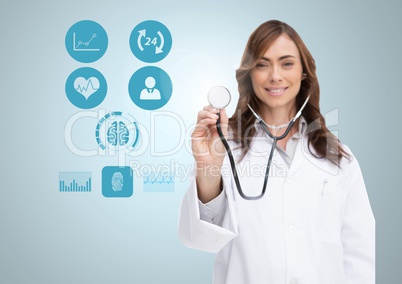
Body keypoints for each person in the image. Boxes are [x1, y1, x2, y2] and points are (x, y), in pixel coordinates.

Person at [178, 20, 375, 284]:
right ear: (249, 75)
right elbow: (201, 239)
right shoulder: (225, 146)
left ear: (304, 73)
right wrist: (209, 166)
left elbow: (359, 254)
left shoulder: (339, 158)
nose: (275, 76)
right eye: (262, 64)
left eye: (287, 63)